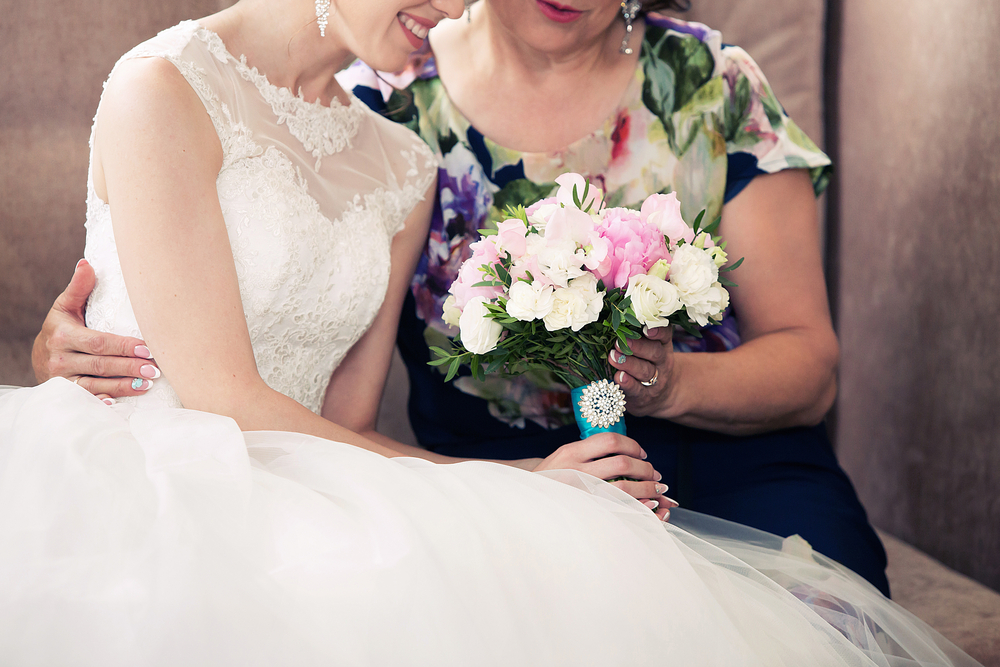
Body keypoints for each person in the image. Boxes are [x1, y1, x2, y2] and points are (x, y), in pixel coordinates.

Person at [0, 0, 985, 664]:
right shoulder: (392, 85)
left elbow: (808, 365)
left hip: (709, 447)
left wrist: (664, 386)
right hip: (478, 463)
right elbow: (225, 304)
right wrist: (88, 335)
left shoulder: (700, 81)